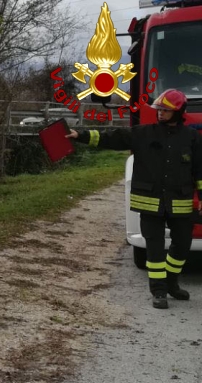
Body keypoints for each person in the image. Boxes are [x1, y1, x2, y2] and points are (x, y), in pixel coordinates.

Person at [66, 88, 202, 309]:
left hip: (180, 201)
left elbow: (199, 170)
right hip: (150, 201)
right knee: (155, 248)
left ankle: (171, 283)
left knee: (183, 245)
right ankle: (158, 291)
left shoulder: (192, 137)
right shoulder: (143, 133)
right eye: (159, 110)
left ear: (178, 112)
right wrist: (80, 136)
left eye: (165, 110)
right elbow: (112, 138)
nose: (160, 113)